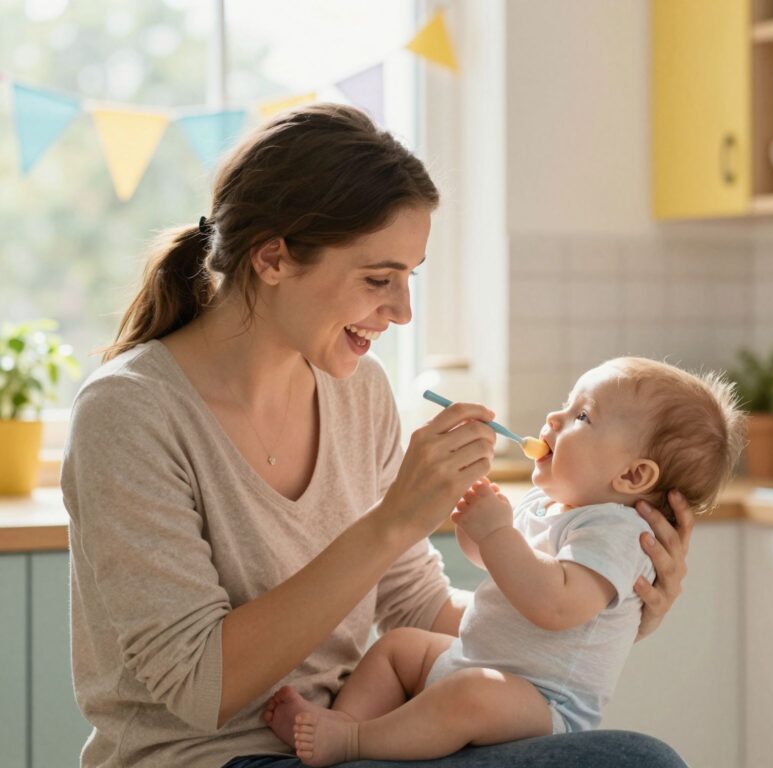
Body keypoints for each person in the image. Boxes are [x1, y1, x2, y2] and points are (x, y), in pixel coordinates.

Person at [60, 104, 696, 768]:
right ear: (273, 257)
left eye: (409, 278)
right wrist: (392, 521)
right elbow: (200, 687)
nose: (402, 311)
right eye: (378, 279)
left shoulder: (357, 390)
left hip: (338, 736)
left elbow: (415, 605)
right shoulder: (130, 413)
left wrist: (591, 609)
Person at [260, 357, 745, 765]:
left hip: (538, 699)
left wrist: (496, 532)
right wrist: (480, 532)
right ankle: (344, 724)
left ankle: (354, 743)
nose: (554, 419)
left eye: (582, 416)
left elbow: (553, 605)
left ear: (634, 474)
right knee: (399, 648)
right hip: (475, 660)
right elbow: (499, 566)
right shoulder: (547, 506)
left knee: (467, 696)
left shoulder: (618, 532)